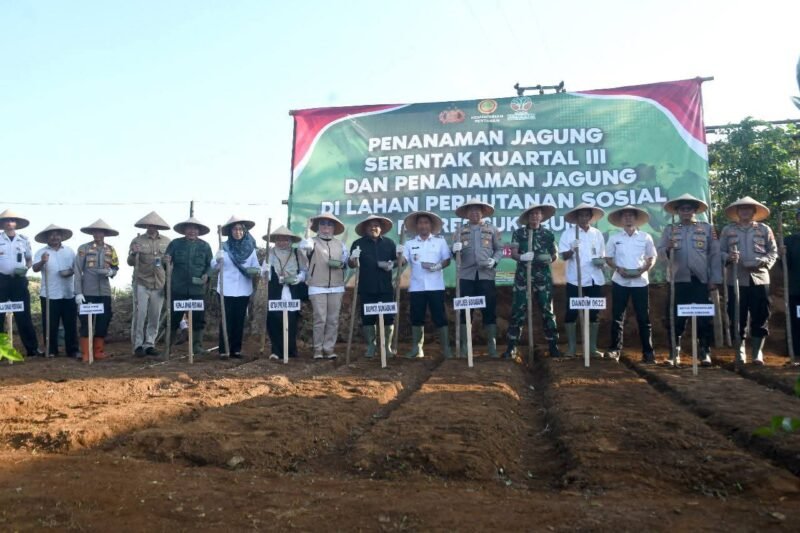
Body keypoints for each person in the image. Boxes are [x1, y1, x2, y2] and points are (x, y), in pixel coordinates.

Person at [658, 194, 722, 367]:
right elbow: (660, 253)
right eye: (682, 209)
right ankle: (674, 352)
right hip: (677, 280)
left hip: (700, 280)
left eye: (689, 209)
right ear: (677, 212)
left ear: (695, 210)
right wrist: (667, 249)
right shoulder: (670, 229)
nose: (685, 212)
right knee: (676, 318)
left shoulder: (707, 228)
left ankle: (704, 352)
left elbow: (715, 255)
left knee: (703, 317)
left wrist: (714, 278)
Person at [720, 196, 777, 365]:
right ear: (737, 212)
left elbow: (773, 252)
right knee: (737, 315)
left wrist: (764, 261)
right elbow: (719, 252)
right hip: (736, 279)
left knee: (761, 315)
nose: (745, 211)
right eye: (741, 209)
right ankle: (740, 352)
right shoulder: (728, 230)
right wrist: (728, 257)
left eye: (748, 209)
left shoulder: (764, 229)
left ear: (754, 212)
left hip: (759, 279)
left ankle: (757, 353)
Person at [503, 203, 560, 359]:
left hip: (543, 277)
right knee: (518, 311)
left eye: (537, 214)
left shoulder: (548, 234)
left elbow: (554, 255)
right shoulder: (519, 233)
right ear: (527, 217)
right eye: (532, 214)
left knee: (547, 310)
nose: (535, 216)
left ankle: (553, 345)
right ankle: (511, 347)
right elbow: (513, 253)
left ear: (541, 216)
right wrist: (521, 257)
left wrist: (549, 258)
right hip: (523, 276)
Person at [451, 199, 503, 357]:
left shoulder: (492, 229)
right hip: (466, 276)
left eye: (477, 211)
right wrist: (454, 250)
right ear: (466, 214)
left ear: (482, 213)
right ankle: (466, 347)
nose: (474, 213)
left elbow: (499, 249)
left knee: (489, 310)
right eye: (471, 211)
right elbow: (453, 254)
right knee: (465, 310)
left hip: (486, 275)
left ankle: (492, 346)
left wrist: (494, 260)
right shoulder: (459, 231)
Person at [605, 205, 657, 363]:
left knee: (643, 318)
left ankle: (648, 352)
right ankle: (615, 349)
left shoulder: (645, 237)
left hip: (640, 282)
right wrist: (617, 268)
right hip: (620, 281)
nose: (628, 218)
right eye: (625, 216)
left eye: (631, 216)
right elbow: (608, 258)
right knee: (617, 317)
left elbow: (651, 257)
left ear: (636, 219)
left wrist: (645, 268)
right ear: (621, 220)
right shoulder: (615, 238)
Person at [558, 203, 607, 358]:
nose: (584, 218)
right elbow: (563, 256)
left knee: (594, 312)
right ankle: (572, 348)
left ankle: (591, 348)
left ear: (591, 217)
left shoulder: (597, 233)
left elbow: (602, 256)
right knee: (572, 311)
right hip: (575, 279)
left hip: (594, 278)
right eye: (581, 215)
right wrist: (572, 249)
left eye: (587, 215)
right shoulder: (568, 234)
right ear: (576, 218)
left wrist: (601, 262)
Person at [349, 215, 401, 359]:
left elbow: (399, 261)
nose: (374, 227)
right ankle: (371, 346)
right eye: (370, 225)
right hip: (367, 287)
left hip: (385, 287)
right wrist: (353, 258)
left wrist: (394, 263)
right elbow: (351, 264)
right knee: (368, 318)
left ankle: (387, 347)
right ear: (365, 228)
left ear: (381, 228)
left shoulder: (390, 243)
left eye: (376, 225)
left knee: (388, 317)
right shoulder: (358, 244)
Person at [402, 211, 452, 359]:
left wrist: (438, 266)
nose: (423, 225)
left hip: (436, 286)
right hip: (417, 287)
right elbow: (403, 261)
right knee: (416, 318)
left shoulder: (440, 242)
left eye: (426, 223)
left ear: (430, 225)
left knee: (440, 317)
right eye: (420, 223)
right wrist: (399, 256)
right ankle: (417, 349)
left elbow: (447, 260)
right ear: (416, 226)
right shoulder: (410, 244)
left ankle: (446, 349)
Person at [299, 213, 349, 360]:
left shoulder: (340, 245)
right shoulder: (312, 242)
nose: (326, 227)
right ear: (318, 227)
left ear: (333, 228)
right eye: (322, 224)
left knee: (333, 319)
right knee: (320, 318)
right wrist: (307, 231)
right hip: (317, 286)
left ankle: (329, 349)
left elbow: (345, 262)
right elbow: (303, 250)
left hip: (337, 286)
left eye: (329, 224)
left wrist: (344, 263)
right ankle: (318, 349)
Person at [212, 216, 260, 358]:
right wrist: (217, 259)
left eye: (240, 229)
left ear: (244, 231)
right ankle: (223, 350)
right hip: (226, 289)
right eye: (235, 229)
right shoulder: (224, 247)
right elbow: (214, 266)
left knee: (239, 320)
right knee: (226, 320)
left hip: (243, 289)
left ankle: (236, 349)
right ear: (230, 232)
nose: (237, 232)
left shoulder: (250, 249)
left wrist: (256, 270)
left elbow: (256, 266)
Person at [164, 216, 213, 355]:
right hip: (178, 288)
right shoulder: (175, 244)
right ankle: (168, 348)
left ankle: (196, 347)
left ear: (199, 231)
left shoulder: (205, 246)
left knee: (198, 319)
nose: (192, 231)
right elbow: (165, 263)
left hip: (197, 290)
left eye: (195, 229)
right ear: (184, 230)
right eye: (189, 228)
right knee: (173, 318)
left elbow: (211, 265)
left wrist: (206, 275)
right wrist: (165, 260)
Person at [74, 219, 120, 361]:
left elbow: (115, 266)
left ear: (105, 233)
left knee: (103, 320)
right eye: (95, 231)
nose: (97, 234)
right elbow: (77, 270)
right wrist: (78, 292)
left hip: (104, 292)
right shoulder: (84, 248)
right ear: (91, 233)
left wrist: (111, 272)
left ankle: (98, 351)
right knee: (86, 321)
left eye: (100, 231)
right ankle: (86, 353)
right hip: (87, 291)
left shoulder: (110, 249)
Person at [128, 211, 171, 357]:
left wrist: (168, 262)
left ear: (158, 226)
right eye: (149, 225)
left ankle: (149, 344)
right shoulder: (137, 241)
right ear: (146, 225)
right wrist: (134, 254)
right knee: (140, 315)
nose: (151, 227)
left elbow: (170, 264)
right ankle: (138, 345)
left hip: (159, 283)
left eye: (155, 225)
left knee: (155, 315)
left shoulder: (167, 241)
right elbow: (130, 262)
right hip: (141, 281)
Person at [32, 224, 78, 357]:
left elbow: (76, 268)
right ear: (46, 238)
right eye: (51, 235)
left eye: (57, 234)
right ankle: (51, 350)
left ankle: (73, 350)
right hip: (49, 294)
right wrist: (42, 261)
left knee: (70, 323)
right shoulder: (41, 252)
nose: (54, 237)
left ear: (61, 237)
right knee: (50, 324)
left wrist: (70, 272)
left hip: (69, 292)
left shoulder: (69, 251)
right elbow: (35, 268)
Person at [0, 209, 42, 356]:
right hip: (1, 281)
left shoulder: (24, 240)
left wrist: (26, 268)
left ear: (16, 223)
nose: (9, 222)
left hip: (19, 281)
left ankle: (32, 349)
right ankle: (2, 352)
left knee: (24, 315)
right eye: (6, 220)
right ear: (2, 224)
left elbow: (29, 260)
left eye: (12, 220)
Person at [264, 225, 307, 360]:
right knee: (274, 319)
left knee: (291, 320)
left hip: (292, 290)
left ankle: (290, 350)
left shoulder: (296, 253)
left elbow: (304, 271)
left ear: (290, 240)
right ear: (275, 240)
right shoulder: (269, 253)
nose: (282, 242)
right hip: (275, 290)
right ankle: (276, 351)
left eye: (285, 239)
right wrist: (265, 271)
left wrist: (297, 278)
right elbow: (265, 274)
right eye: (279, 239)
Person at [784, 208, 800, 358]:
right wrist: (783, 254)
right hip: (797, 290)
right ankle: (796, 352)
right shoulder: (789, 241)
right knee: (797, 321)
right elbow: (786, 266)